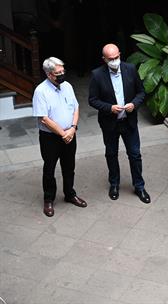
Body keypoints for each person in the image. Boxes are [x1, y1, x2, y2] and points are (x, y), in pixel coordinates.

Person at [88, 43, 150, 204]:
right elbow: (92, 100)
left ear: (120, 55)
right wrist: (109, 108)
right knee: (111, 154)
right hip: (110, 123)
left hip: (128, 121)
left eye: (116, 57)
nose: (114, 61)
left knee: (135, 155)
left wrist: (134, 104)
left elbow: (141, 92)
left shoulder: (130, 69)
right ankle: (114, 184)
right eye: (111, 59)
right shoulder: (97, 75)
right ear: (104, 59)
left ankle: (139, 186)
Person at [32, 57, 87, 217]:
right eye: (58, 73)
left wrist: (73, 128)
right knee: (49, 169)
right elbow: (44, 118)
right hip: (50, 138)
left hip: (70, 133)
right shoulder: (40, 91)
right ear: (49, 74)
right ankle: (48, 199)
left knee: (69, 167)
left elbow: (76, 107)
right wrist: (63, 134)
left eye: (63, 71)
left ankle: (70, 194)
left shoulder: (67, 86)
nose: (62, 74)